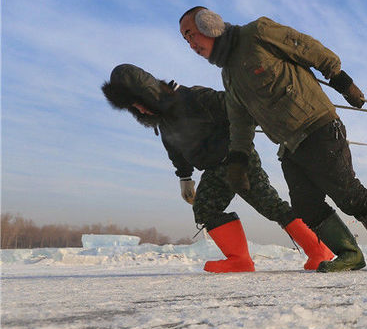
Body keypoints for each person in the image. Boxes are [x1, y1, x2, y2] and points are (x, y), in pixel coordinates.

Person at [178, 7, 367, 272]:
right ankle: (349, 253)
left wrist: (342, 81)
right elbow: (240, 121)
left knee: (346, 192)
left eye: (191, 34)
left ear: (209, 24)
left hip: (318, 125)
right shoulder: (228, 75)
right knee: (305, 205)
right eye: (186, 40)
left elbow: (306, 47)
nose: (191, 45)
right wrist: (238, 159)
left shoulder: (257, 33)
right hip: (289, 144)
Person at [101, 64, 333, 273]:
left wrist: (264, 114)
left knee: (269, 204)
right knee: (205, 209)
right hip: (213, 169)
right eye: (135, 108)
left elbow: (236, 107)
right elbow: (176, 152)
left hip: (237, 159)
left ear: (148, 93)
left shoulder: (194, 97)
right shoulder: (165, 123)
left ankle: (318, 250)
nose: (141, 111)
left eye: (140, 104)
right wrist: (185, 178)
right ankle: (239, 260)